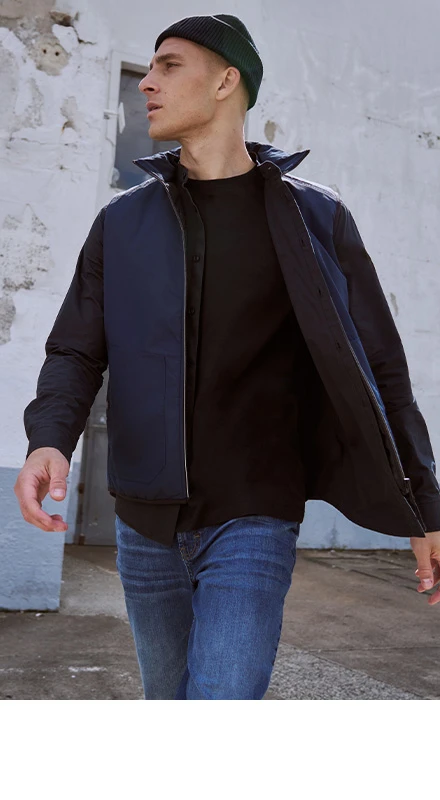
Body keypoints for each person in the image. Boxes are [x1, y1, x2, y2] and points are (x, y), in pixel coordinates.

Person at [14, 14, 440, 700]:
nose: (147, 83)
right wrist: (49, 440)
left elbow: (381, 367)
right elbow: (75, 348)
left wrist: (425, 504)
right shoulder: (121, 223)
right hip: (144, 521)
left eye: (169, 66)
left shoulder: (316, 218)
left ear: (225, 82)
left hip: (254, 517)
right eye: (148, 67)